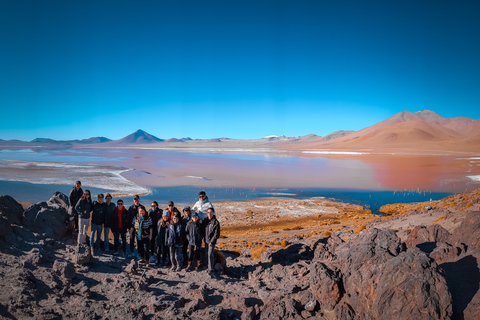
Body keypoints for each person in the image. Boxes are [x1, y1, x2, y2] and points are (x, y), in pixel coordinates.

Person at [205, 207, 220, 275]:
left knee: (210, 254)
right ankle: (210, 266)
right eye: (208, 212)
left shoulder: (216, 222)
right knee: (209, 254)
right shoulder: (206, 221)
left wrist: (212, 241)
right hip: (206, 240)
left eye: (210, 212)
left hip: (211, 241)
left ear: (213, 213)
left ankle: (210, 269)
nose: (209, 214)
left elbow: (217, 234)